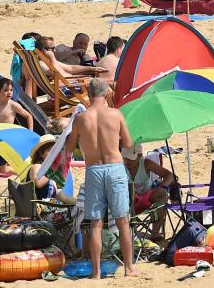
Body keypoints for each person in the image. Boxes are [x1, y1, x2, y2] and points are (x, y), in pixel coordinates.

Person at [63, 78, 139, 278]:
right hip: (114, 167)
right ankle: (129, 268)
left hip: (93, 169)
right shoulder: (115, 114)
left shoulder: (81, 118)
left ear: (89, 93)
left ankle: (96, 273)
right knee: (123, 220)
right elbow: (129, 142)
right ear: (106, 93)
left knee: (95, 223)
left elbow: (69, 148)